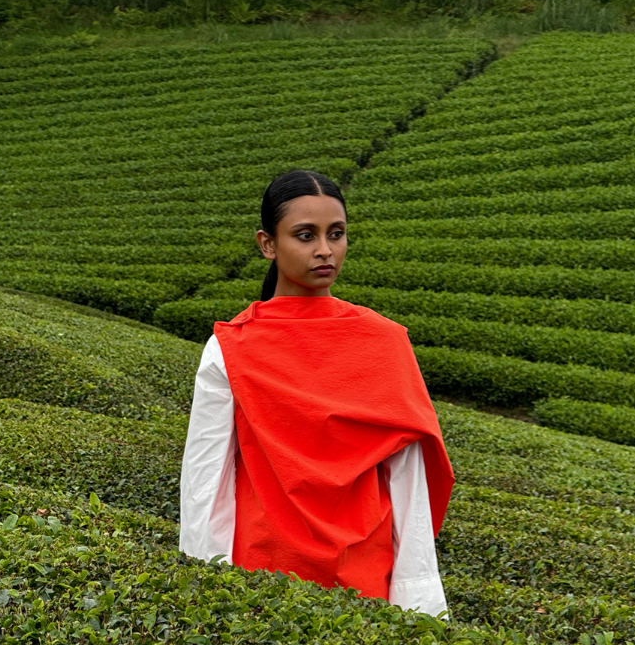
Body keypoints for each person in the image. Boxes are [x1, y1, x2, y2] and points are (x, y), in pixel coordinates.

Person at [178, 170, 455, 617]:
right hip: (260, 578)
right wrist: (209, 591)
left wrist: (420, 605)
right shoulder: (230, 348)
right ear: (267, 244)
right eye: (305, 235)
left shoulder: (384, 342)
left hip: (367, 576)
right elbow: (206, 484)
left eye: (336, 234)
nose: (325, 250)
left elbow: (408, 488)